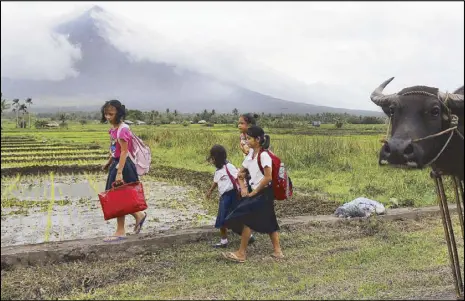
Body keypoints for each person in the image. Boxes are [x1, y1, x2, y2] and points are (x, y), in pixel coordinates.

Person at [222, 125, 283, 263]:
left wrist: (254, 192)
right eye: (247, 138)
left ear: (258, 139)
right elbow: (241, 173)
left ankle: (241, 253)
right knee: (270, 221)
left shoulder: (264, 155)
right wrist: (243, 188)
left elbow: (268, 177)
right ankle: (278, 252)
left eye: (249, 138)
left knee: (248, 219)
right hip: (256, 192)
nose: (247, 141)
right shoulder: (250, 155)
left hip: (264, 192)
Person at [101, 99, 147, 242]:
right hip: (117, 163)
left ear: (118, 113)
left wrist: (119, 172)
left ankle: (120, 231)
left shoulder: (123, 129)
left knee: (118, 196)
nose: (108, 117)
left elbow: (124, 152)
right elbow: (115, 150)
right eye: (106, 114)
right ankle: (138, 215)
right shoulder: (114, 129)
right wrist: (108, 163)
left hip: (123, 165)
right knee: (119, 196)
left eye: (111, 114)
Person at [205, 145, 240, 248]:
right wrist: (210, 191)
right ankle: (223, 241)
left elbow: (239, 178)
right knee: (222, 219)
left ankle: (248, 236)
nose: (212, 160)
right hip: (224, 196)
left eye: (213, 158)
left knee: (236, 218)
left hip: (233, 195)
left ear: (216, 158)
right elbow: (216, 182)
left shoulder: (230, 167)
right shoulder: (218, 170)